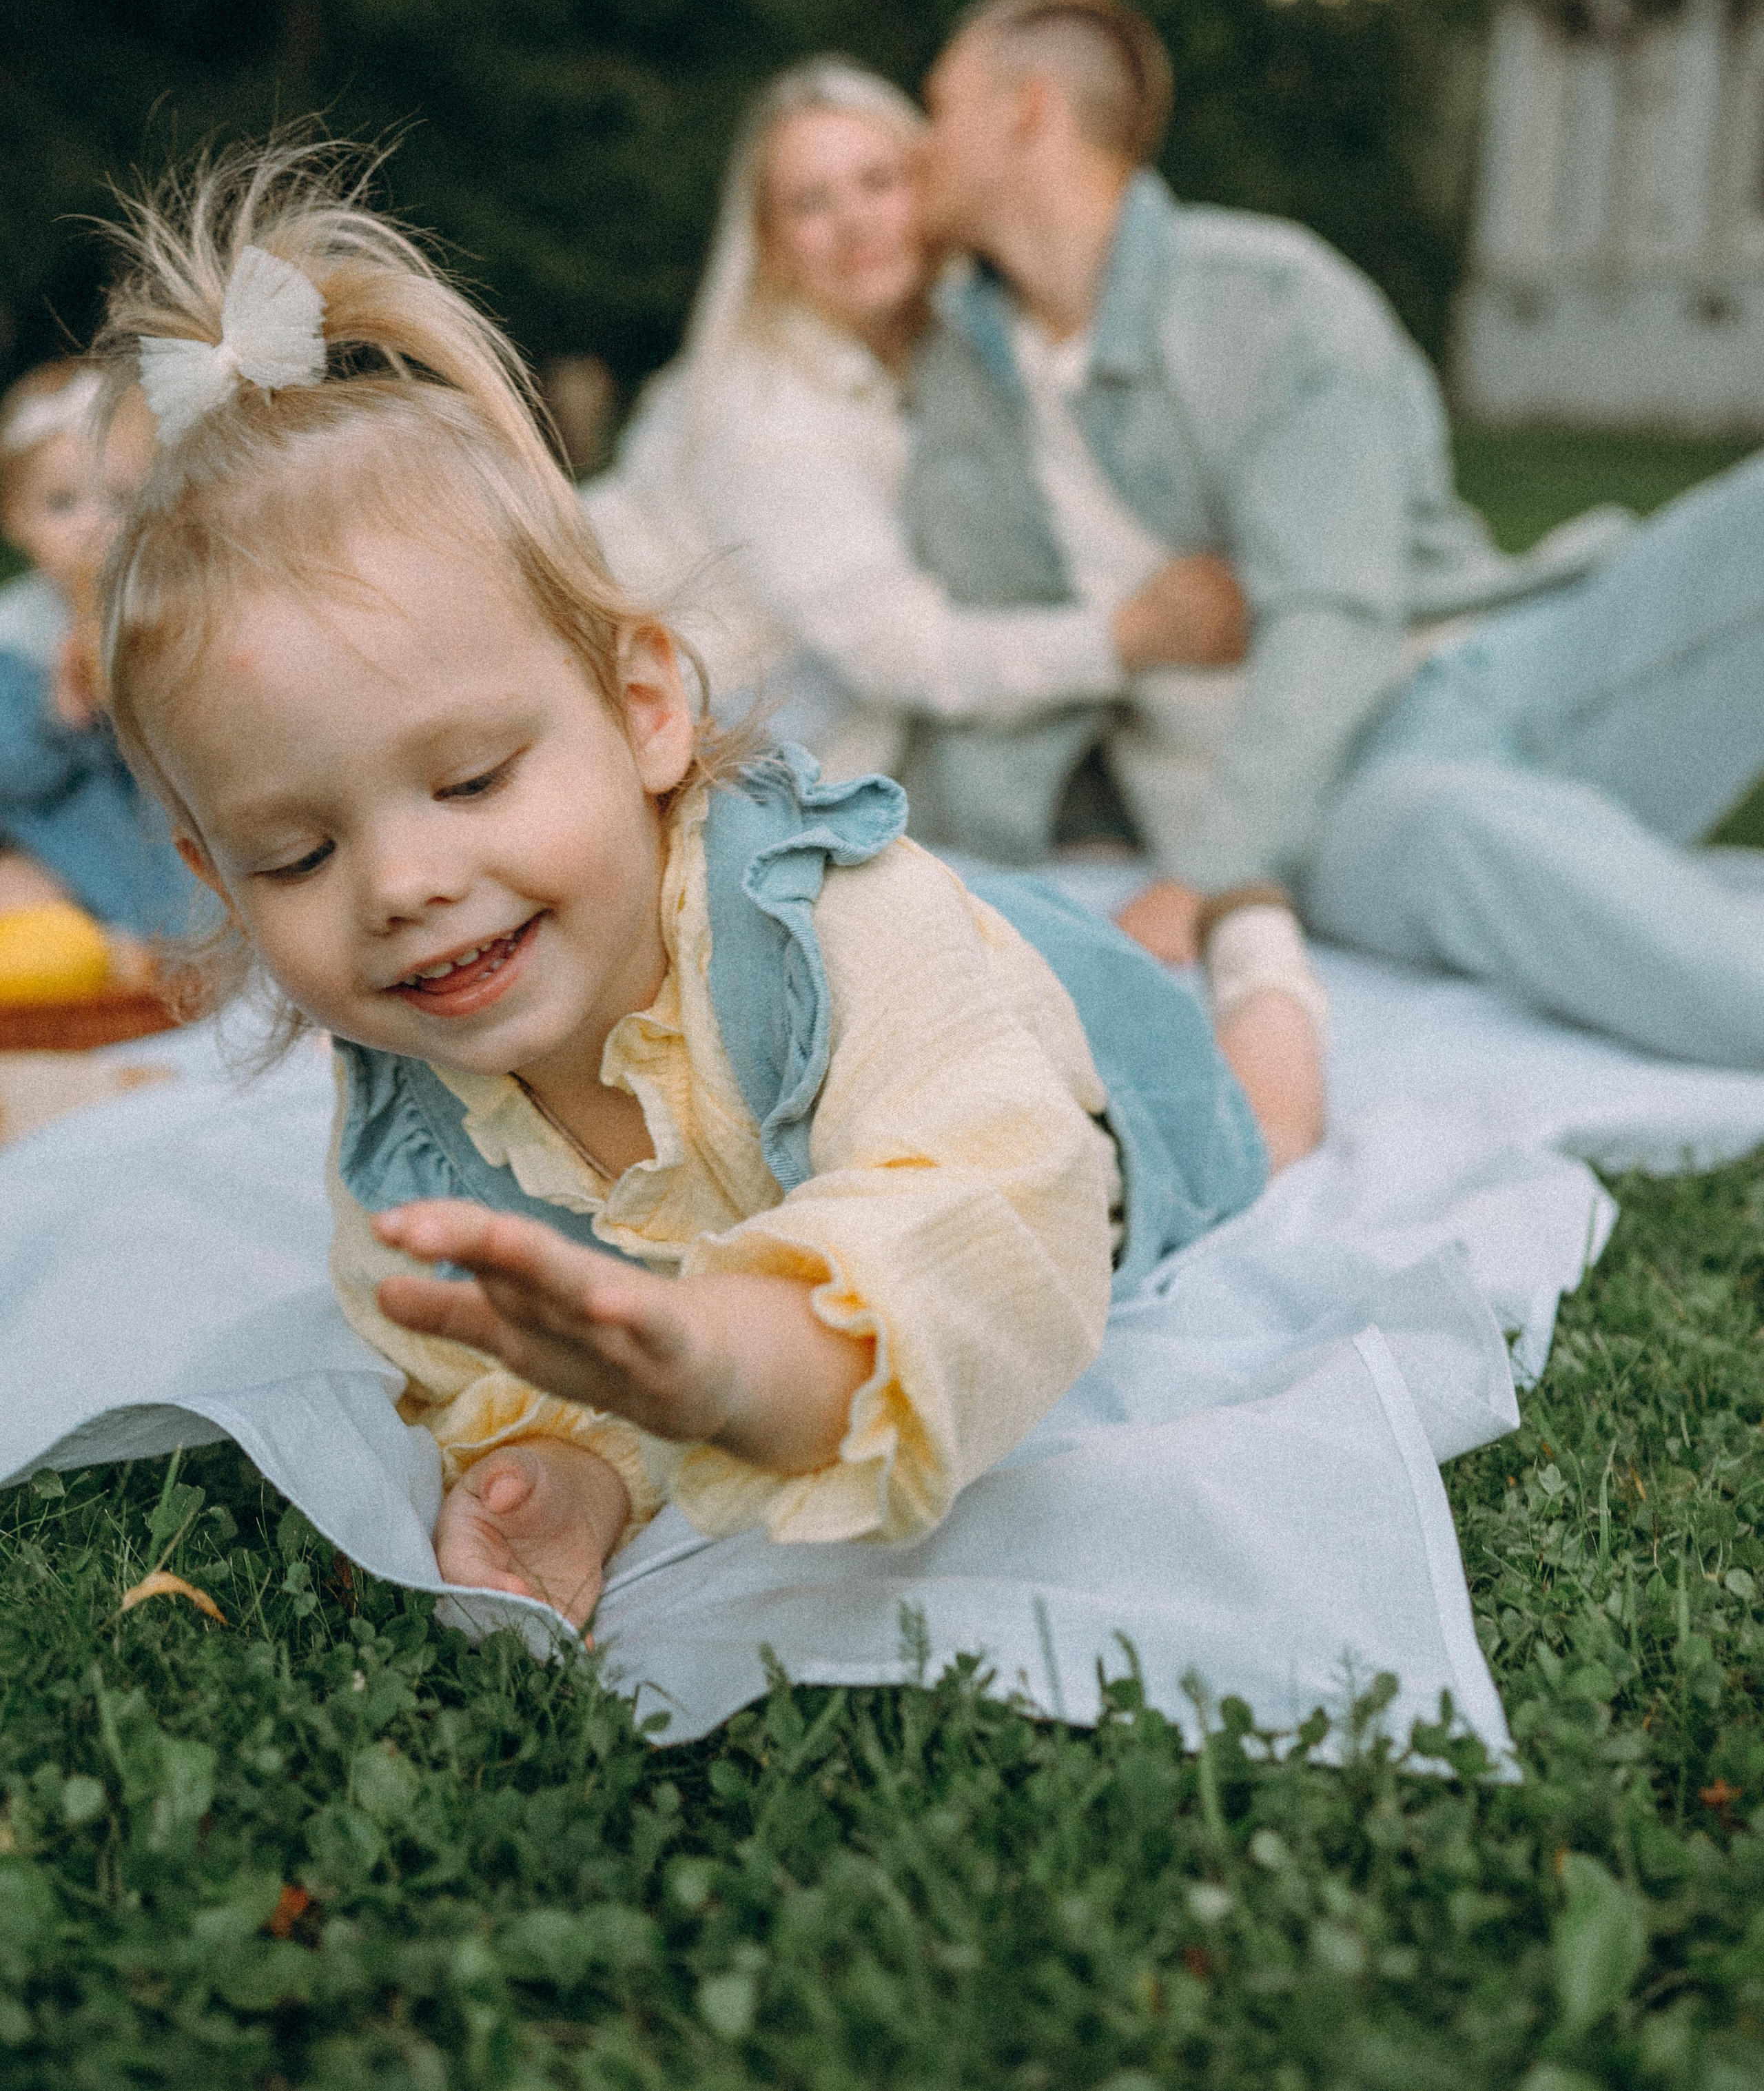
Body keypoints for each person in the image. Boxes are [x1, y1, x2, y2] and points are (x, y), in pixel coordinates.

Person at [88, 139, 1328, 1628]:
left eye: (472, 778)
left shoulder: (826, 928)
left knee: (1270, 1120)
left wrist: (735, 1358)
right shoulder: (406, 1127)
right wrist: (580, 1465)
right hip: (948, 969)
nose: (404, 883)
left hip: (1067, 1046)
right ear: (215, 877)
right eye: (297, 853)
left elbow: (1001, 1221)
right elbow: (505, 1356)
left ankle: (1260, 951)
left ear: (644, 709)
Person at [906, 0, 1764, 1069]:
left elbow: (1334, 615)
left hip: (1504, 671)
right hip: (1343, 802)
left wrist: (1201, 877)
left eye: (939, 107)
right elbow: (964, 649)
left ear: (1027, 110)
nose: (918, 145)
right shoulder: (962, 384)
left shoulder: (1271, 299)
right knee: (1453, 822)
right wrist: (1196, 858)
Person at [584, 57, 1246, 783]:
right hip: (663, 729)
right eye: (810, 203)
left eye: (879, 182)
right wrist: (1127, 636)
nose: (855, 224)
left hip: (799, 719)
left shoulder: (951, 346)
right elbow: (897, 649)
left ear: (928, 187)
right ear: (770, 244)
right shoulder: (762, 409)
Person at [0, 360, 195, 939]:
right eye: (62, 504)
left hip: (175, 835)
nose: (95, 527)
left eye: (121, 499)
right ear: (14, 522)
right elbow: (12, 776)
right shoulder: (18, 633)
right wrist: (59, 717)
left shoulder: (178, 603)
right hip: (76, 849)